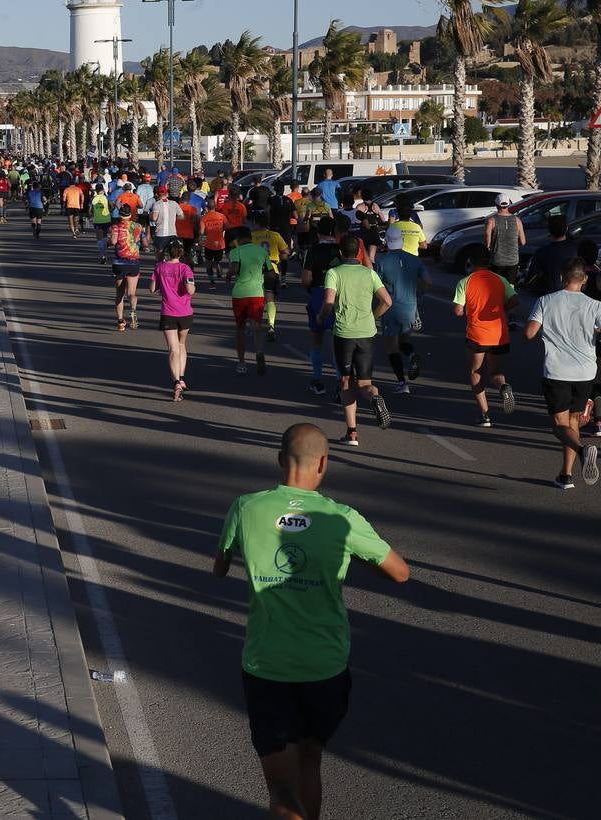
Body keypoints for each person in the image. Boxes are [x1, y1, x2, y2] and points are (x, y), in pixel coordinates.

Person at [214, 423, 409, 820]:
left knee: (280, 788)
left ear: (280, 459)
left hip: (267, 665)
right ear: (324, 463)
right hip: (325, 666)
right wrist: (350, 556)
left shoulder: (246, 507)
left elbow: (220, 567)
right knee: (311, 761)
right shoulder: (343, 519)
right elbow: (400, 573)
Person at [525, 258, 601, 490]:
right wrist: (596, 333)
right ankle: (566, 475)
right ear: (584, 279)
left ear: (562, 277)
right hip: (585, 371)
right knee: (573, 421)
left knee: (559, 424)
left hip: (557, 371)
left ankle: (583, 451)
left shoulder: (545, 301)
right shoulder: (595, 305)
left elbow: (529, 333)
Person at [320, 235, 393, 446]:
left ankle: (352, 433)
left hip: (344, 334)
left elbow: (328, 302)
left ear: (341, 253)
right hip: (367, 332)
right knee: (364, 383)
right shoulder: (369, 273)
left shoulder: (333, 273)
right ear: (359, 252)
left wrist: (321, 317)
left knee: (345, 381)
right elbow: (387, 301)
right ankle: (374, 397)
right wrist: (373, 316)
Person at [452, 246, 519, 427]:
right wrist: (500, 310)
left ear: (471, 262)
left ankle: (485, 414)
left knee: (475, 372)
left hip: (477, 334)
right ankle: (503, 387)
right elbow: (515, 301)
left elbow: (458, 310)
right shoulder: (500, 279)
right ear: (489, 262)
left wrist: (467, 309)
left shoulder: (465, 282)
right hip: (499, 334)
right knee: (495, 372)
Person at [375, 226, 430, 396]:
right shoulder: (414, 259)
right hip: (410, 307)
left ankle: (402, 382)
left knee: (391, 347)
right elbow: (428, 280)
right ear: (402, 240)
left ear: (387, 242)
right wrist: (419, 294)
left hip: (390, 309)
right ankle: (411, 355)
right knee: (403, 341)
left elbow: (375, 285)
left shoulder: (382, 261)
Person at [150, 241, 196, 401]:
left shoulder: (160, 267)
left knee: (172, 349)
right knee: (182, 345)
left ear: (168, 252)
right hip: (185, 312)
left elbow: (152, 288)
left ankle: (176, 381)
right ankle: (182, 379)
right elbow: (190, 290)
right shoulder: (185, 269)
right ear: (181, 253)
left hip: (168, 312)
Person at [578, 237, 601, 438]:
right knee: (597, 379)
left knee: (583, 379)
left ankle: (583, 414)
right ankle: (599, 421)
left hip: (585, 336)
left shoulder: (580, 280)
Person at [301, 217, 340, 396]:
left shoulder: (313, 250)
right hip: (340, 296)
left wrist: (311, 289)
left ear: (318, 232)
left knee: (317, 339)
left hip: (319, 293)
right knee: (338, 342)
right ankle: (341, 380)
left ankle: (317, 380)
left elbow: (306, 278)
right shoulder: (342, 249)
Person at [227, 227, 272, 375]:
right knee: (257, 327)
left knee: (240, 328)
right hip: (257, 293)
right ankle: (259, 352)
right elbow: (270, 271)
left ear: (239, 239)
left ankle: (241, 362)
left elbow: (234, 269)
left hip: (240, 293)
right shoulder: (261, 251)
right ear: (251, 237)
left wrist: (228, 276)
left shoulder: (236, 252)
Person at [250, 213, 291, 342]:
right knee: (270, 298)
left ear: (256, 223)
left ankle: (255, 324)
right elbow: (286, 252)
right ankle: (271, 325)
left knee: (255, 298)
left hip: (255, 269)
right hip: (271, 269)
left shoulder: (251, 236)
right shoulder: (275, 235)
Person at [109, 203, 147, 331]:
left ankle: (120, 322)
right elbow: (144, 241)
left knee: (119, 294)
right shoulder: (138, 226)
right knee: (131, 292)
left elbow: (113, 242)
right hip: (133, 261)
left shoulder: (116, 227)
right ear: (130, 215)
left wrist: (108, 242)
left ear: (120, 214)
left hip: (119, 262)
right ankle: (133, 311)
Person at [525, 215, 579, 297]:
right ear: (566, 229)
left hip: (551, 295)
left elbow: (531, 277)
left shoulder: (542, 252)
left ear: (549, 231)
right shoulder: (575, 249)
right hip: (573, 293)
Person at [484, 196, 525, 283]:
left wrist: (488, 247)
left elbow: (487, 238)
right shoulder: (517, 220)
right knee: (510, 287)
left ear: (496, 205)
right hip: (513, 261)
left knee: (496, 285)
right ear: (509, 204)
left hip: (497, 260)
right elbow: (523, 242)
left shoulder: (491, 221)